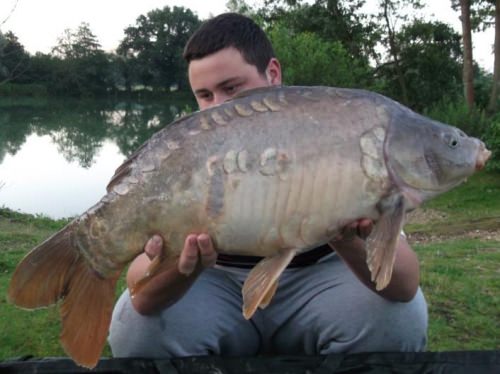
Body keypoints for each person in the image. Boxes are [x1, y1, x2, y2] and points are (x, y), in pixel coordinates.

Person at [108, 13, 428, 358]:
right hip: (216, 286)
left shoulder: (336, 128)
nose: (220, 106)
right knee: (135, 330)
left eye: (232, 88)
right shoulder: (186, 156)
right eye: (204, 95)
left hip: (322, 284)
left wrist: (347, 238)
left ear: (272, 74)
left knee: (399, 320)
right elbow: (141, 294)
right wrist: (186, 269)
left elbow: (404, 285)